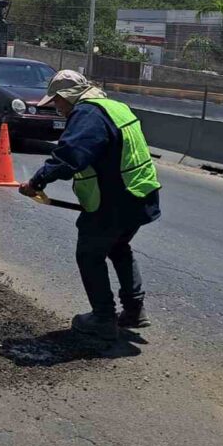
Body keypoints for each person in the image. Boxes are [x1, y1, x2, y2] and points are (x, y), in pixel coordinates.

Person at [19, 70, 161, 341]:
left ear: (67, 96)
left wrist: (36, 182)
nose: (57, 108)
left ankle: (103, 318)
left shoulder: (87, 114)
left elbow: (70, 157)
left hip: (115, 200)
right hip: (140, 193)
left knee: (89, 254)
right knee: (118, 246)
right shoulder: (114, 107)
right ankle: (134, 310)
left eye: (56, 101)